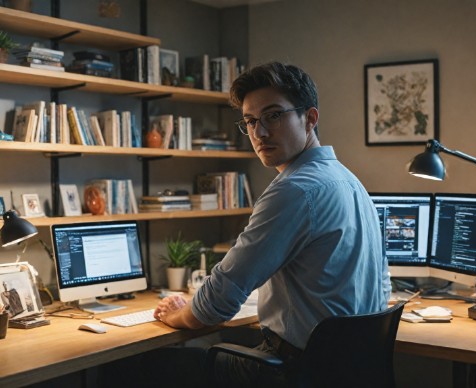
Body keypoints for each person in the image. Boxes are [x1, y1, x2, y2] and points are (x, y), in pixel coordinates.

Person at [141, 62, 390, 387]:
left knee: (148, 364)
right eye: (250, 121)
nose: (259, 133)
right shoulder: (349, 180)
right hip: (347, 370)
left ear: (310, 118)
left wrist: (178, 315)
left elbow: (219, 300)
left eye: (273, 115)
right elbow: (380, 285)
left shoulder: (294, 189)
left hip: (293, 371)